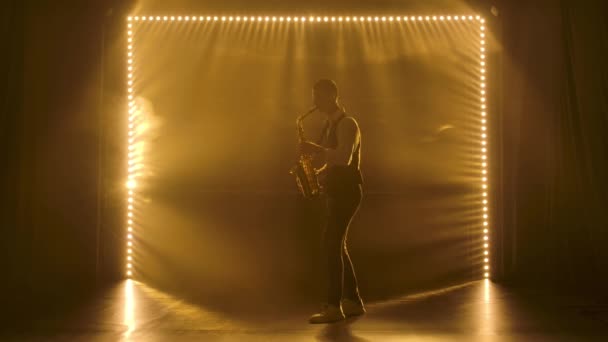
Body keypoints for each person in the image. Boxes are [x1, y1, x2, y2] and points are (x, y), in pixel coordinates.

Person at [299, 79, 365, 324]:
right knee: (336, 245)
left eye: (317, 96)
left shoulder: (348, 124)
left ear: (332, 96)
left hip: (347, 191)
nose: (314, 102)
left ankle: (333, 306)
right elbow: (332, 161)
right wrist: (313, 173)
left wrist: (314, 149)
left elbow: (344, 158)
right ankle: (352, 301)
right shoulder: (330, 125)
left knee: (331, 244)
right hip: (337, 190)